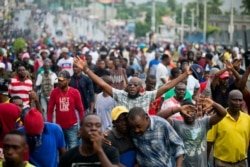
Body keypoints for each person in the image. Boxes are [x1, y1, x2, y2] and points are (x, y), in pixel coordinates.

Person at [73, 56, 192, 112]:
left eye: (136, 85)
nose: (132, 86)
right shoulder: (121, 95)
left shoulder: (147, 96)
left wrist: (184, 75)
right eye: (130, 84)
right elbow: (103, 84)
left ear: (141, 87)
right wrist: (86, 70)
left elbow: (166, 87)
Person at [157, 98, 226, 167]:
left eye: (192, 111)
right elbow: (158, 118)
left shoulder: (204, 123)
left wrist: (213, 104)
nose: (189, 114)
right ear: (181, 114)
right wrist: (178, 109)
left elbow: (223, 113)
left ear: (196, 111)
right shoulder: (176, 124)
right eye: (186, 111)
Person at [207, 90, 250, 167]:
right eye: (234, 100)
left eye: (240, 100)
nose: (237, 103)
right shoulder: (217, 118)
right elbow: (209, 141)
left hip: (242, 162)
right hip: (222, 163)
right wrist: (205, 161)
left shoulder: (247, 119)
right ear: (228, 101)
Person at [47, 70, 84, 149]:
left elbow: (81, 110)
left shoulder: (75, 92)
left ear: (68, 80)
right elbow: (50, 110)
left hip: (72, 126)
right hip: (59, 127)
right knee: (61, 150)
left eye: (62, 80)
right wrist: (49, 125)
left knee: (72, 149)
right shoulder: (54, 92)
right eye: (59, 80)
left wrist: (82, 126)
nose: (60, 82)